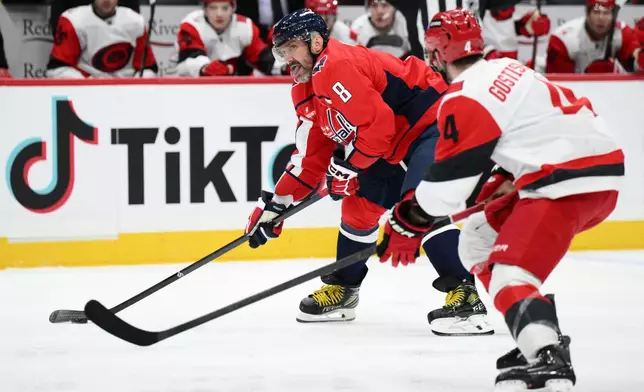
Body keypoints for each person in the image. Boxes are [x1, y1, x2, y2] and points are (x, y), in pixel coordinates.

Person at [380, 9, 624, 389]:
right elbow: (538, 128)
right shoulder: (511, 69)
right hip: (583, 172)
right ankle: (534, 336)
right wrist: (505, 178)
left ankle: (549, 359)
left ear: (437, 54)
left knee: (511, 272)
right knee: (476, 239)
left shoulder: (464, 95)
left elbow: (450, 185)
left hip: (563, 182)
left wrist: (407, 219)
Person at [244, 9, 493, 336]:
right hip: (392, 144)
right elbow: (311, 157)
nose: (286, 59)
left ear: (316, 42)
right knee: (358, 207)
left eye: (291, 48)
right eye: (280, 51)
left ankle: (466, 298)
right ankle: (344, 291)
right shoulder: (305, 90)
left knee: (419, 205)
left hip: (430, 122)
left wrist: (350, 166)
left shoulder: (336, 66)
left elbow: (379, 126)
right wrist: (275, 205)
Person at [46, 0, 157, 78]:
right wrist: (87, 85)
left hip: (126, 94)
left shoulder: (136, 21)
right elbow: (56, 69)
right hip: (86, 94)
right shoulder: (73, 21)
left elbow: (148, 68)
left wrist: (135, 88)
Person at [173, 0, 284, 77]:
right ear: (205, 9)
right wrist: (205, 68)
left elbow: (261, 57)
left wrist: (283, 68)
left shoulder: (244, 26)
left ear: (233, 8)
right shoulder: (191, 25)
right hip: (191, 87)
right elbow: (189, 59)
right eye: (213, 8)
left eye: (225, 8)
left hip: (230, 87)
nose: (219, 14)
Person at [546, 0, 643, 73]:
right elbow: (559, 84)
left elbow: (635, 63)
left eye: (606, 12)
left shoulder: (622, 32)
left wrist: (640, 58)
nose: (601, 18)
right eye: (596, 12)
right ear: (587, 13)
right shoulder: (564, 40)